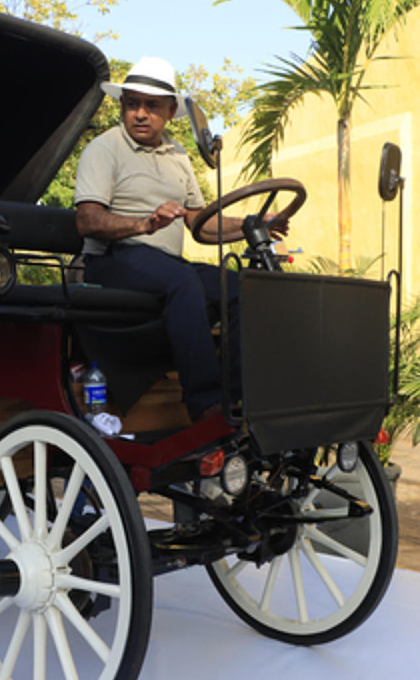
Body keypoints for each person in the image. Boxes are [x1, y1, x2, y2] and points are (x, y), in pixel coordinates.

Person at [74, 56, 285, 422]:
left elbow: (201, 226)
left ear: (171, 111)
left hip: (162, 265)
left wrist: (254, 224)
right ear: (122, 107)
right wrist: (144, 224)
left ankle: (238, 402)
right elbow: (87, 221)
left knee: (239, 286)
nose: (140, 113)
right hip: (111, 260)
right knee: (183, 280)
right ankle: (206, 406)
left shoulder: (178, 154)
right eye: (132, 104)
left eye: (151, 106)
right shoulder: (104, 149)